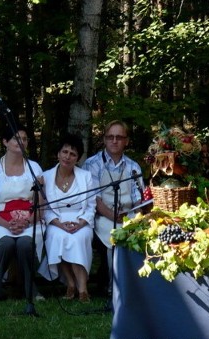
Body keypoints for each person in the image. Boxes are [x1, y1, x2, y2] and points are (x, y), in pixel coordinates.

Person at [0, 125, 45, 302]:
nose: (21, 142)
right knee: (6, 244)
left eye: (24, 139)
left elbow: (41, 204)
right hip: (1, 219)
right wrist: (7, 224)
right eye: (17, 138)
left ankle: (30, 289)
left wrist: (27, 222)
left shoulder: (34, 168)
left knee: (25, 244)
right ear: (5, 142)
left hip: (29, 220)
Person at [82, 120, 145, 293]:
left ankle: (136, 287)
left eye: (119, 137)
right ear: (104, 139)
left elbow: (139, 199)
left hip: (129, 215)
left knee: (140, 237)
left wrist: (135, 217)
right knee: (113, 241)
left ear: (127, 141)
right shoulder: (92, 164)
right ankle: (113, 287)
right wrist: (113, 216)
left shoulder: (133, 166)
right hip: (103, 216)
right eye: (110, 137)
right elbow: (94, 199)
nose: (114, 141)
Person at [39, 133, 96, 302]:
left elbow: (91, 205)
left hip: (81, 220)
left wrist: (80, 223)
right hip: (56, 221)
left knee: (78, 239)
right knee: (58, 237)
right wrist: (59, 224)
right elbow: (45, 208)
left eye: (73, 154)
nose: (67, 157)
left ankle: (83, 289)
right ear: (58, 154)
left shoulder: (85, 177)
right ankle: (71, 283)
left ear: (77, 158)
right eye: (64, 152)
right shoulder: (46, 176)